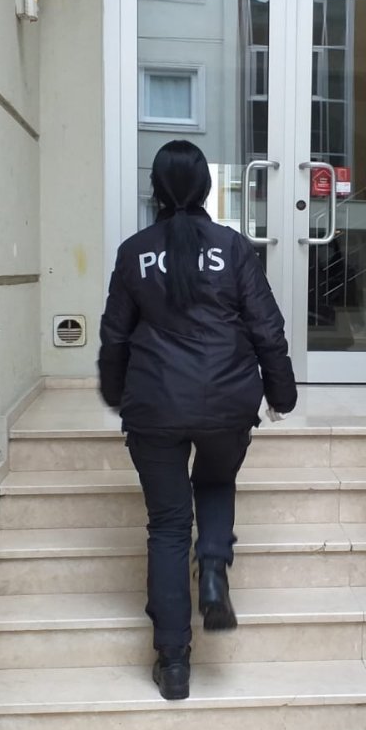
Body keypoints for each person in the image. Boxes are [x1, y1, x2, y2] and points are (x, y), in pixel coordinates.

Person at [98, 140, 297, 701]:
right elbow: (267, 328)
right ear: (207, 188)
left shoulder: (135, 252)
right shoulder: (232, 248)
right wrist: (281, 394)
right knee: (214, 480)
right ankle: (211, 566)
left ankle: (174, 664)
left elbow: (115, 335)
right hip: (226, 402)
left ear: (156, 190)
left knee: (167, 526)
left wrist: (115, 392)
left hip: (155, 405)